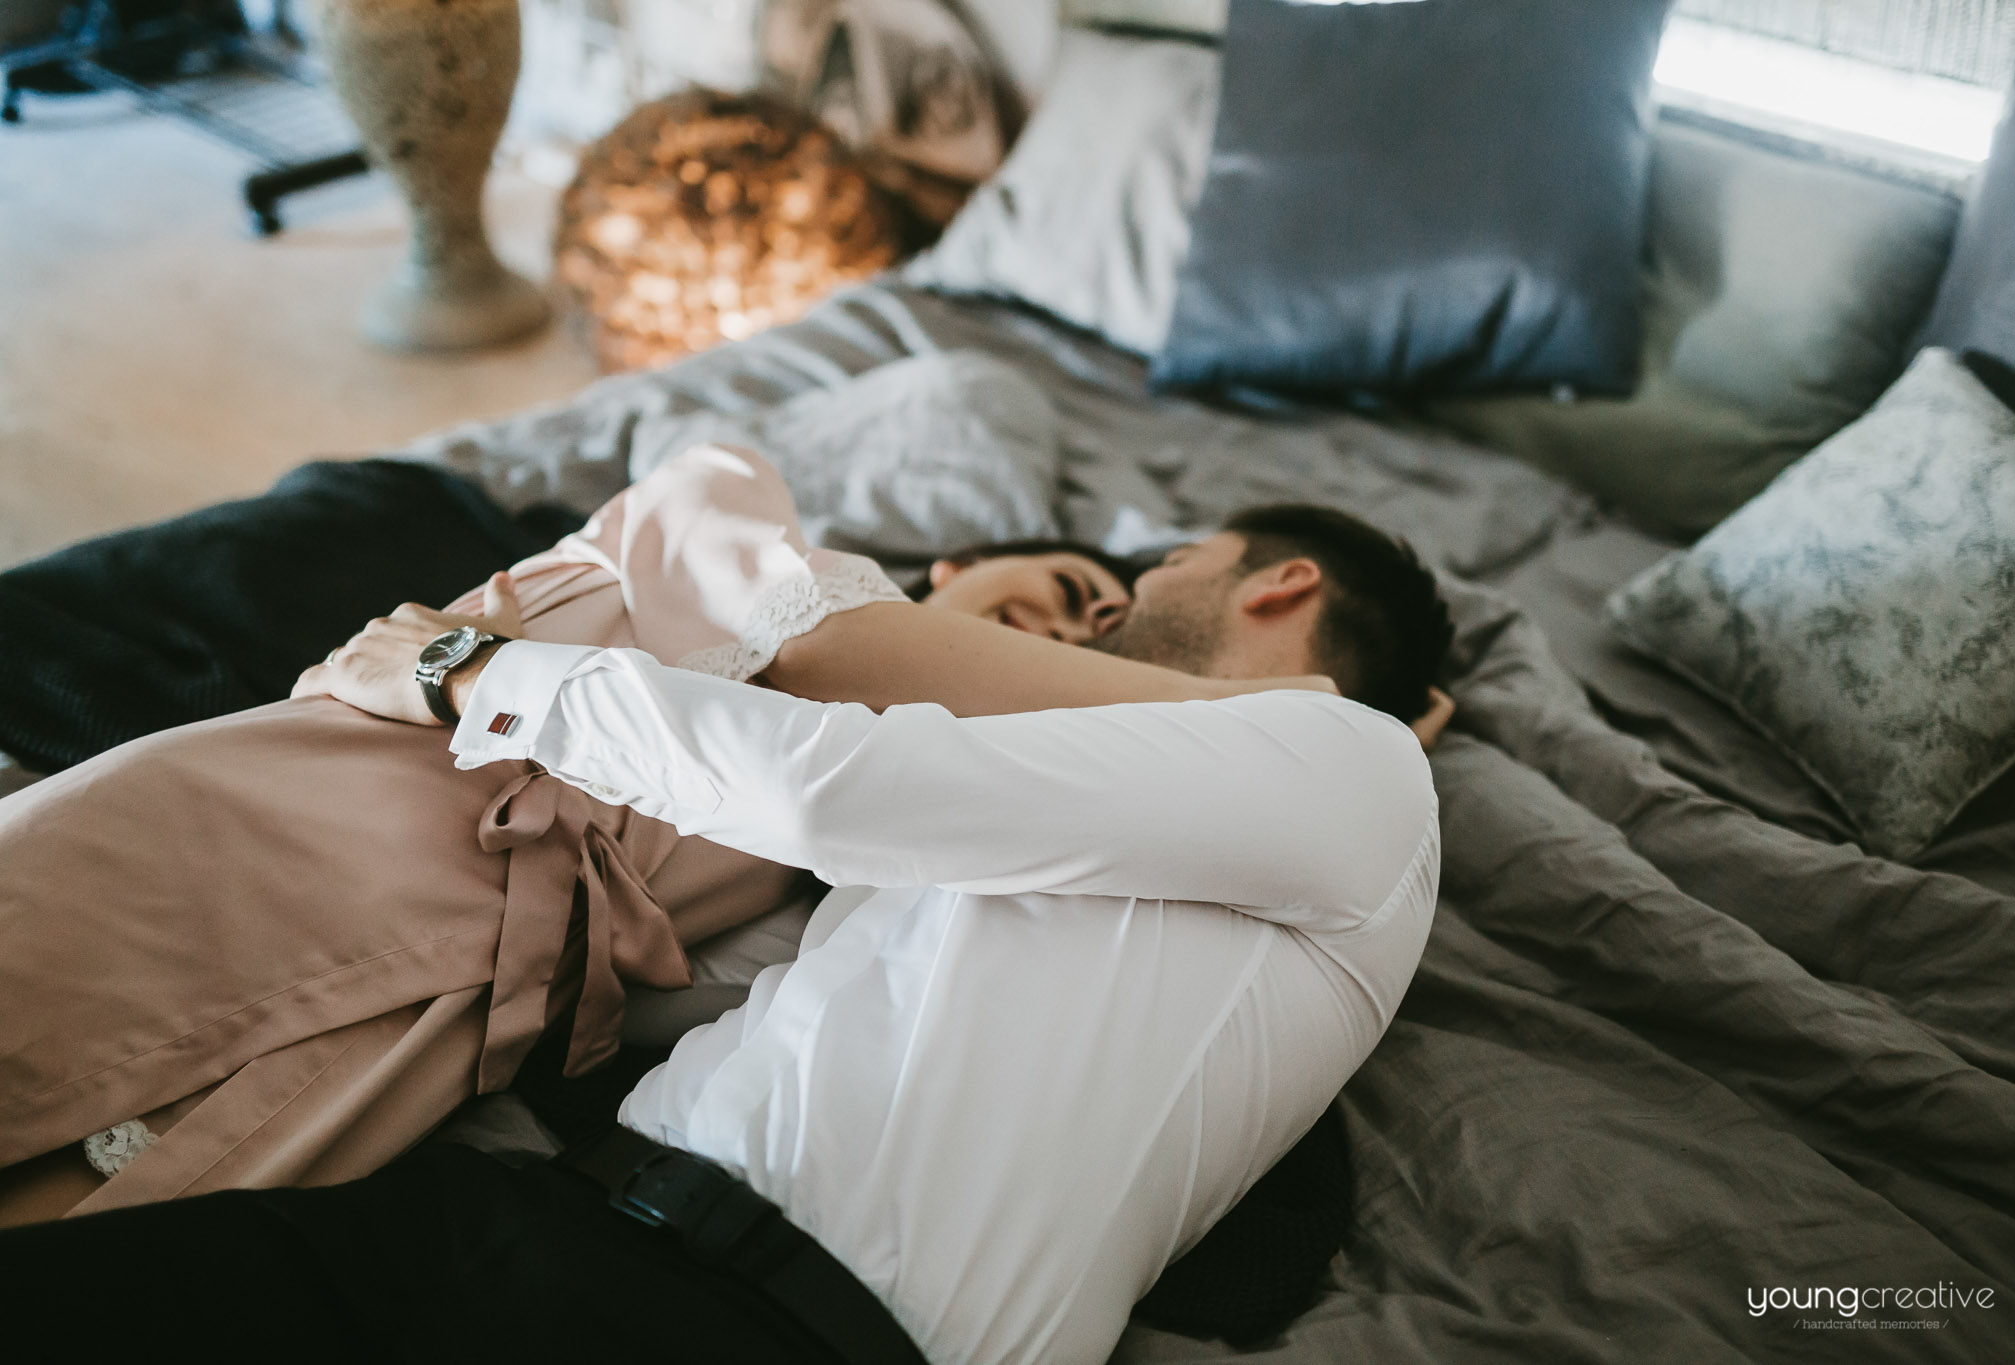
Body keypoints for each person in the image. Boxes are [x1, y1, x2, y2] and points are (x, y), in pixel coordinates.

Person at [0, 450, 1452, 1363]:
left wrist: (468, 673)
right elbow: (722, 977)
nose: (1121, 601)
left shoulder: (1357, 762)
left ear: (1284, 583)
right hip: (531, 1228)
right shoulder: (1078, 801)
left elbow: (831, 786)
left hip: (763, 1326)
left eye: (1163, 569)